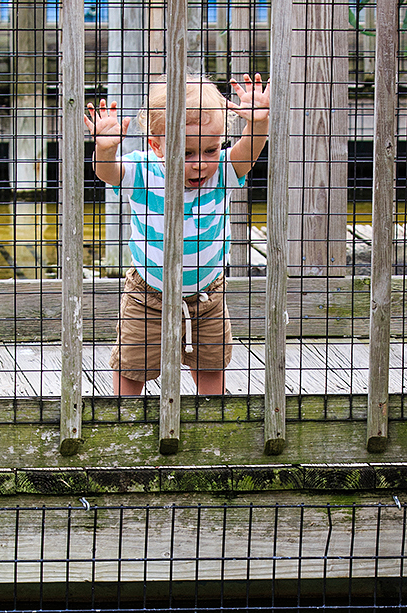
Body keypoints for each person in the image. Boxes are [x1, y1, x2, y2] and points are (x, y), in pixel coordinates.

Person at [84, 75, 270, 396]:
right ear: (156, 145)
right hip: (149, 295)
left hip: (206, 295)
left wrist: (258, 124)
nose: (200, 165)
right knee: (131, 370)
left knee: (212, 369)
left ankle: (213, 428)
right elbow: (108, 173)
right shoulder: (144, 170)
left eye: (210, 150)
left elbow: (248, 152)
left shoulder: (223, 171)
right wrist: (104, 150)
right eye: (186, 153)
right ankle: (120, 423)